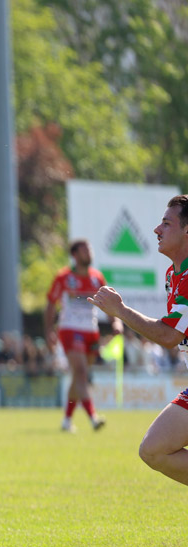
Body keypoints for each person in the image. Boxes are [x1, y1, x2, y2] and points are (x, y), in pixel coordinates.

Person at [89, 195, 188, 486]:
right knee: (153, 450)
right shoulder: (173, 275)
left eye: (166, 224)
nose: (157, 230)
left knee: (154, 449)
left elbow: (169, 335)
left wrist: (120, 311)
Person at [45, 239, 121, 432]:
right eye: (85, 249)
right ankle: (93, 417)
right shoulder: (63, 277)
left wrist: (116, 322)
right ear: (75, 255)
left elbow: (109, 304)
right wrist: (48, 332)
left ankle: (66, 420)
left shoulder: (97, 278)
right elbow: (51, 304)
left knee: (78, 377)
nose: (89, 252)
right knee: (80, 373)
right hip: (70, 329)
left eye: (90, 248)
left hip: (91, 331)